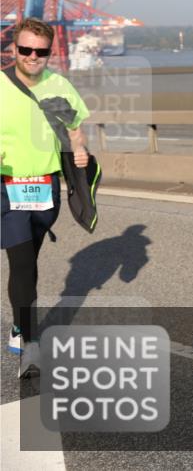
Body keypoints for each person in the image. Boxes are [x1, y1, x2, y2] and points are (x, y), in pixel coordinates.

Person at [1, 18, 90, 366]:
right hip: (7, 186)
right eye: (25, 49)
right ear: (13, 50)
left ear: (49, 53)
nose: (32, 56)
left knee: (29, 262)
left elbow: (75, 128)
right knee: (22, 262)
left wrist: (78, 150)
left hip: (44, 186)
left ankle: (19, 327)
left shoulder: (60, 86)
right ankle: (30, 341)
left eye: (40, 51)